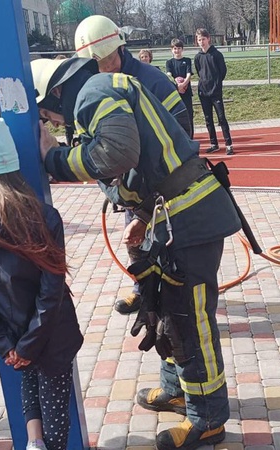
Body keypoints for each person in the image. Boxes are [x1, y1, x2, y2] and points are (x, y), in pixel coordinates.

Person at [31, 56, 241, 450]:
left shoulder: (92, 94)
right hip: (174, 222)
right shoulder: (104, 88)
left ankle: (208, 418)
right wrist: (144, 215)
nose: (56, 123)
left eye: (48, 114)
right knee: (165, 313)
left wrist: (53, 159)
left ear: (57, 93)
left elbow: (117, 155)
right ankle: (177, 389)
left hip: (189, 224)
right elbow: (144, 164)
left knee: (190, 324)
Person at [0, 115, 83, 450]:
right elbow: (50, 291)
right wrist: (29, 344)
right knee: (55, 410)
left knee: (29, 385)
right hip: (50, 335)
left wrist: (7, 345)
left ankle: (33, 442)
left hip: (9, 334)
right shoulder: (41, 217)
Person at [74, 15, 193, 315]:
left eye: (108, 59)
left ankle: (179, 296)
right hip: (133, 187)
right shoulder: (96, 85)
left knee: (169, 241)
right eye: (96, 64)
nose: (103, 67)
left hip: (165, 183)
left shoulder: (150, 78)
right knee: (135, 239)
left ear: (120, 48)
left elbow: (182, 125)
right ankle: (143, 291)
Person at [195, 28, 234, 155]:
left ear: (208, 39)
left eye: (203, 39)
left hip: (215, 92)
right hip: (203, 92)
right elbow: (199, 72)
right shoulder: (197, 57)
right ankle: (214, 143)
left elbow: (223, 72)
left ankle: (228, 144)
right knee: (208, 119)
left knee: (221, 118)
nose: (201, 42)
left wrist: (216, 85)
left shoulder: (217, 55)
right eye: (199, 40)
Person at [166, 38, 195, 139]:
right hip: (175, 94)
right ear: (171, 50)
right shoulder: (169, 62)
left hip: (186, 93)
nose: (177, 50)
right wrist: (177, 87)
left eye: (179, 48)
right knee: (176, 117)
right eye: (174, 48)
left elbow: (188, 75)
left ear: (182, 49)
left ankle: (190, 138)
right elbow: (169, 75)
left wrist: (183, 85)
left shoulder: (187, 60)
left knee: (189, 116)